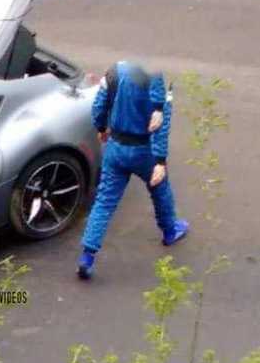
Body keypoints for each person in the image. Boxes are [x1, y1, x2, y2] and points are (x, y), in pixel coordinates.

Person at [78, 61, 190, 279]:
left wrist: (101, 128)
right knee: (160, 190)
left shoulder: (114, 71)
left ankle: (87, 256)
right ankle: (170, 231)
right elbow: (161, 125)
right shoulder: (155, 78)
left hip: (116, 148)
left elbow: (99, 106)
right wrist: (160, 161)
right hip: (144, 151)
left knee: (104, 202)